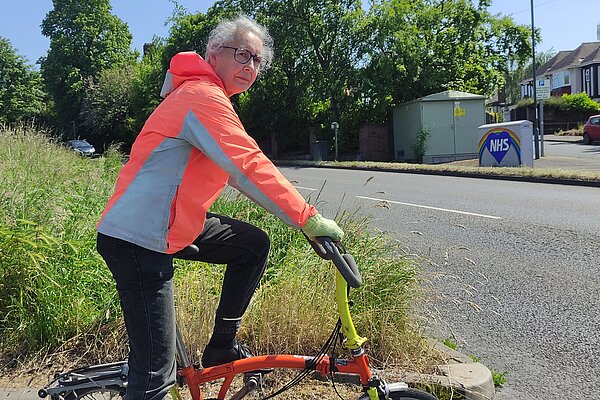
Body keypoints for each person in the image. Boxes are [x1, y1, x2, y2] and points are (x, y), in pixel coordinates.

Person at [95, 14, 343, 400]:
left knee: (252, 244)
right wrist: (307, 218)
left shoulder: (211, 98)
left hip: (171, 226)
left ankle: (221, 345)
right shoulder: (201, 97)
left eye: (258, 61)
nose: (251, 66)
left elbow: (234, 169)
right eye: (243, 54)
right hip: (138, 238)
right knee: (155, 377)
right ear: (213, 54)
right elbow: (247, 165)